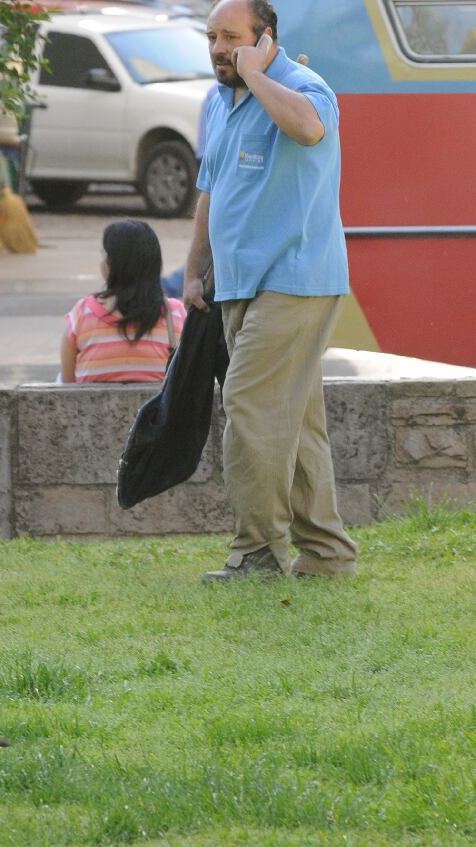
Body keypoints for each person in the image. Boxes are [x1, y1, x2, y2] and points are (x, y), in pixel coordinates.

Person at [183, 0, 357, 581]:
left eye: (231, 37)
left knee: (251, 407)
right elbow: (210, 190)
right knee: (297, 424)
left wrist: (257, 76)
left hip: (295, 280)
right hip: (239, 285)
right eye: (211, 37)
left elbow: (309, 129)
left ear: (266, 38)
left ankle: (256, 552)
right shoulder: (219, 100)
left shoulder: (305, 85)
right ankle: (327, 554)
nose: (217, 49)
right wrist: (193, 271)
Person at [62, 220, 186, 384]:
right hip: (158, 410)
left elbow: (66, 386)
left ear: (112, 264)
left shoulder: (83, 314)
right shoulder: (176, 315)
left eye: (104, 255)